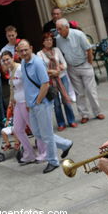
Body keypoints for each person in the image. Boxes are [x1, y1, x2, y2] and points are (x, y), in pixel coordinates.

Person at [18, 39, 73, 173]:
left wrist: (37, 101)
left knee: (46, 134)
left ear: (31, 48)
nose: (24, 52)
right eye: (21, 50)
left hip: (41, 104)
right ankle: (66, 144)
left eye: (26, 49)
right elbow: (27, 85)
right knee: (37, 133)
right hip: (32, 105)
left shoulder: (37, 63)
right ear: (18, 52)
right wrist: (29, 103)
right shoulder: (23, 63)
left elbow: (45, 84)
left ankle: (53, 161)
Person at [56, 18, 105, 124]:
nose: (58, 31)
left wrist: (89, 63)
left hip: (84, 64)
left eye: (60, 29)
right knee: (79, 93)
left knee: (90, 90)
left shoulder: (78, 34)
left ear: (66, 27)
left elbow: (89, 49)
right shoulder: (58, 39)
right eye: (57, 29)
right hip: (71, 68)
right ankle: (84, 114)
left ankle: (97, 112)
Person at [1, 51, 46, 163]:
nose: (6, 62)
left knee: (35, 129)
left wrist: (29, 102)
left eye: (8, 59)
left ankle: (44, 153)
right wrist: (11, 102)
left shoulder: (21, 69)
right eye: (4, 60)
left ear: (12, 58)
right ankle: (29, 154)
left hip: (26, 102)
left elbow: (28, 85)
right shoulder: (10, 71)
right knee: (18, 129)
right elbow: (12, 88)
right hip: (17, 103)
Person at [37, 32, 77, 131]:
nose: (49, 42)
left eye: (50, 40)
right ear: (43, 42)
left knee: (66, 99)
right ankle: (61, 123)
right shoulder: (40, 54)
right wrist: (52, 72)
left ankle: (71, 120)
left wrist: (59, 69)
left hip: (61, 77)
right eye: (47, 40)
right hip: (50, 81)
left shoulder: (57, 50)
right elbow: (41, 69)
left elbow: (64, 63)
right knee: (56, 103)